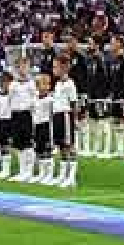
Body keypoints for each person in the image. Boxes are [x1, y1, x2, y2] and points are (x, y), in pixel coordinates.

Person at [46, 57, 81, 188]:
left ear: (64, 68)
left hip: (66, 115)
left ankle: (71, 177)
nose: (53, 69)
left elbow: (74, 103)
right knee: (61, 146)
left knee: (69, 145)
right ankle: (62, 174)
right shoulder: (58, 84)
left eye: (56, 67)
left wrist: (75, 120)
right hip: (57, 116)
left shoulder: (70, 84)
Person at [9, 62, 38, 181]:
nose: (23, 70)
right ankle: (22, 170)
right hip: (16, 114)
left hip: (27, 114)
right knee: (18, 143)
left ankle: (29, 171)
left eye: (25, 67)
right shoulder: (13, 84)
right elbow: (10, 99)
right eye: (20, 67)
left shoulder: (31, 84)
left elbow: (35, 99)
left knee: (28, 143)